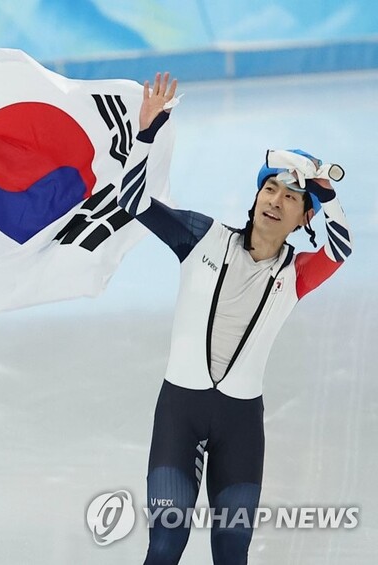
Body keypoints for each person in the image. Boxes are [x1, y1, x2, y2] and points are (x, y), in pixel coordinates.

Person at [117, 74, 352, 564]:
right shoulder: (201, 237)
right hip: (179, 416)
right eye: (271, 188)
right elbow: (131, 203)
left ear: (303, 218)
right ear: (256, 195)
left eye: (291, 198)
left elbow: (342, 247)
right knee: (165, 545)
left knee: (231, 552)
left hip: (241, 427)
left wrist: (325, 191)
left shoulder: (297, 275)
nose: (276, 200)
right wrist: (146, 133)